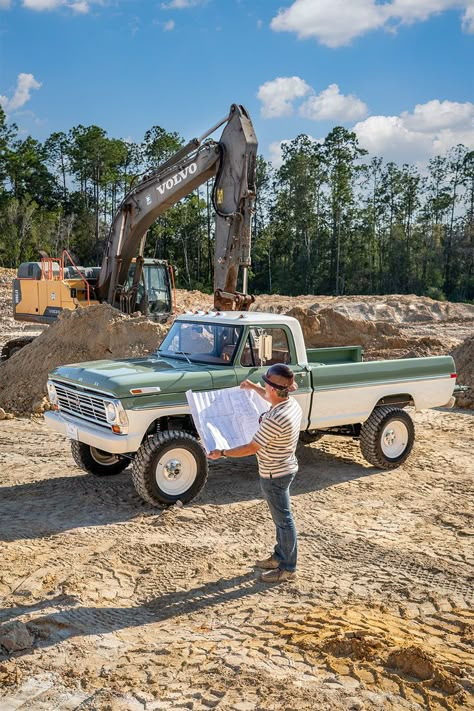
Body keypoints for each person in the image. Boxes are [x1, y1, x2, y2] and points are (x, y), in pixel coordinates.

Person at [208, 364, 303, 583]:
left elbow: (251, 447)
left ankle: (287, 568)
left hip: (274, 475)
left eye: (266, 385)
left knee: (284, 521)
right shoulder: (291, 404)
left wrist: (222, 452)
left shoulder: (275, 419)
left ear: (272, 389)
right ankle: (280, 557)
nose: (265, 389)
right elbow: (270, 396)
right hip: (284, 467)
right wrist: (253, 387)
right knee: (282, 519)